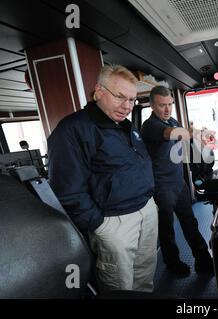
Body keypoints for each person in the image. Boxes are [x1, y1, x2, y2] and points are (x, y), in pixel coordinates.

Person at [47, 65, 158, 292]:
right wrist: (100, 225)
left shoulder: (126, 126)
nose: (127, 106)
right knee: (119, 286)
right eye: (120, 97)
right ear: (99, 91)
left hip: (146, 210)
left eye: (132, 100)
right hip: (114, 222)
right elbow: (67, 190)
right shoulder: (72, 129)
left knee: (145, 274)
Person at [141, 85, 214, 276]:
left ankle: (204, 261)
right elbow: (170, 134)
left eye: (170, 104)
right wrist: (195, 132)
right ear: (152, 106)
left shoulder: (171, 120)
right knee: (167, 230)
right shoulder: (150, 126)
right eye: (162, 105)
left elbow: (180, 140)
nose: (167, 109)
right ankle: (173, 264)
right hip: (162, 188)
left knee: (191, 223)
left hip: (179, 183)